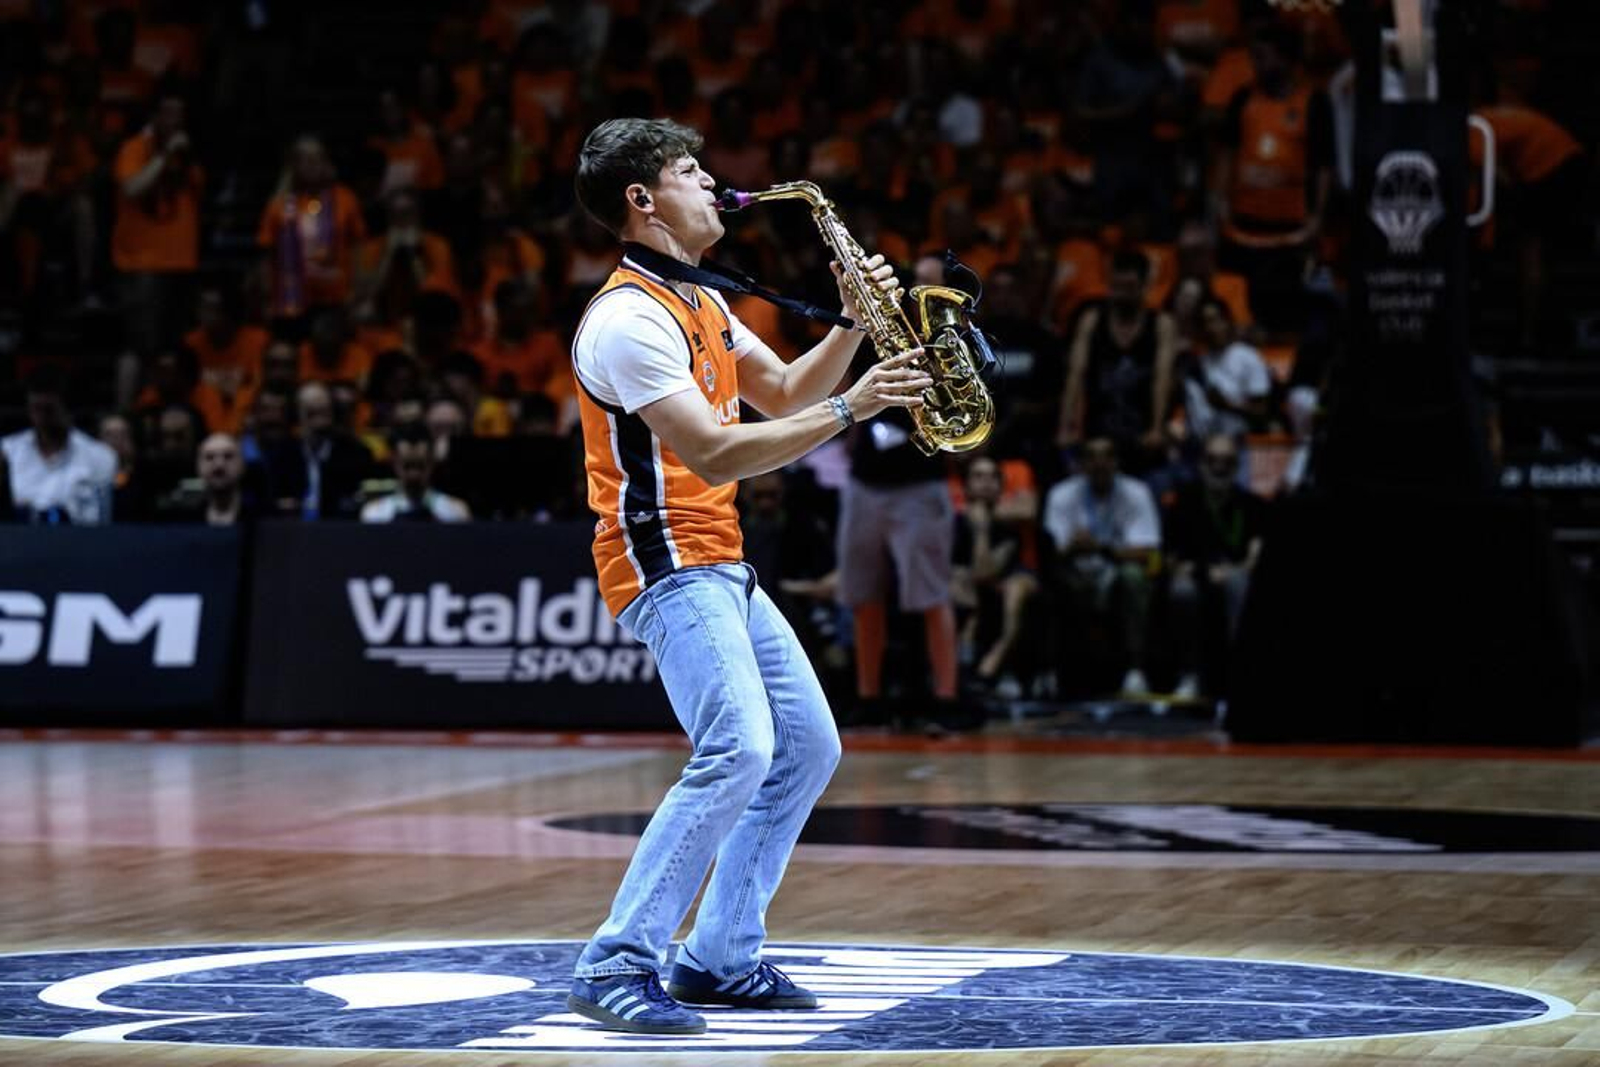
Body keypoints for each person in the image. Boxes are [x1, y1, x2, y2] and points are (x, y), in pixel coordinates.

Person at [566, 117, 928, 1035]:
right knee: (738, 747)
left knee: (808, 747)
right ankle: (616, 959)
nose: (711, 182)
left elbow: (786, 393)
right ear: (643, 200)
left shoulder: (699, 299)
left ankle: (719, 956)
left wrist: (852, 322)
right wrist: (854, 409)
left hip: (719, 557)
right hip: (665, 559)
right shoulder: (626, 318)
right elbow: (718, 451)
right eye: (690, 171)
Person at [1042, 437, 1161, 697]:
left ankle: (1135, 669)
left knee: (1133, 577)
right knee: (1050, 580)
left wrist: (1100, 548)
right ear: (1082, 463)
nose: (1100, 463)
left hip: (1115, 570)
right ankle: (1050, 672)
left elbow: (1147, 552)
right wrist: (1072, 547)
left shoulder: (1136, 492)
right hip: (1074, 571)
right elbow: (1050, 553)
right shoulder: (1062, 494)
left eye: (1107, 456)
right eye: (1092, 457)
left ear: (1117, 462)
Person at [1165, 432, 1266, 699]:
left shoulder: (1252, 505)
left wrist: (1238, 569)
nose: (1220, 467)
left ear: (1237, 466)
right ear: (1201, 464)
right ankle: (1189, 674)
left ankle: (1240, 675)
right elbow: (1172, 558)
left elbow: (1256, 554)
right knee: (1182, 591)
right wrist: (1204, 571)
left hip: (1236, 574)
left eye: (1228, 461)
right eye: (1213, 460)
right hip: (1194, 574)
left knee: (1239, 584)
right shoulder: (1184, 501)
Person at [1, 364, 117, 525]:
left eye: (49, 410)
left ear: (67, 409)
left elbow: (101, 523)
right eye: (35, 409)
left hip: (76, 538)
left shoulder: (100, 457)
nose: (41, 419)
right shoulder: (7, 451)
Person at [360, 422, 470, 522]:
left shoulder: (455, 512)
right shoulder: (375, 514)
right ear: (394, 463)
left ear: (431, 462)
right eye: (407, 466)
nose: (414, 474)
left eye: (420, 466)